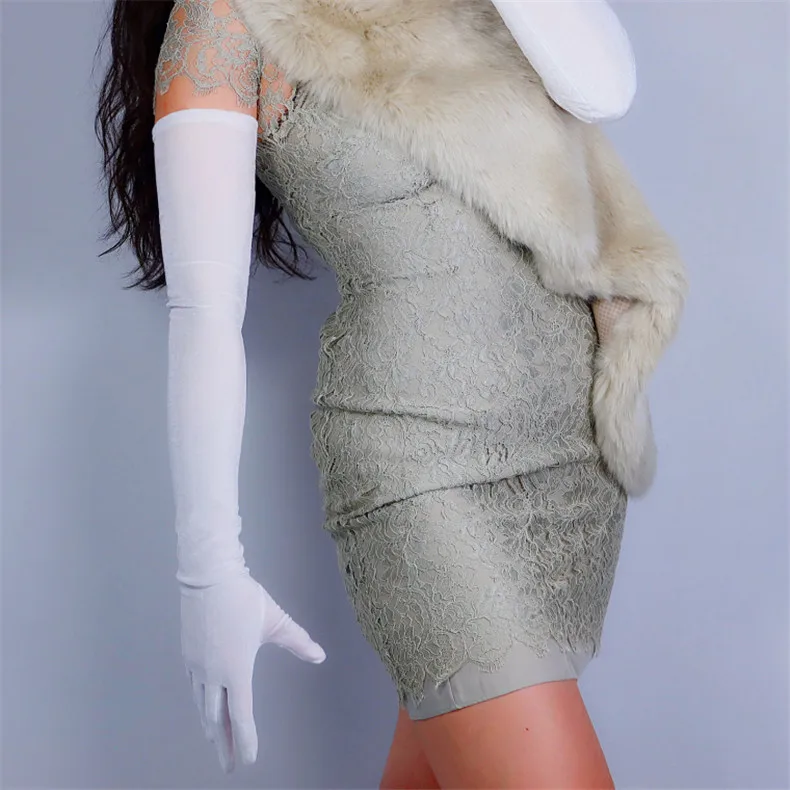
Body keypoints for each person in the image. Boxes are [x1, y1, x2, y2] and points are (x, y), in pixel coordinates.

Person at [94, 0, 685, 785]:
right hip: (423, 466)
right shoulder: (224, 20)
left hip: (570, 463)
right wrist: (209, 570)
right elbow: (203, 315)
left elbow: (603, 88)